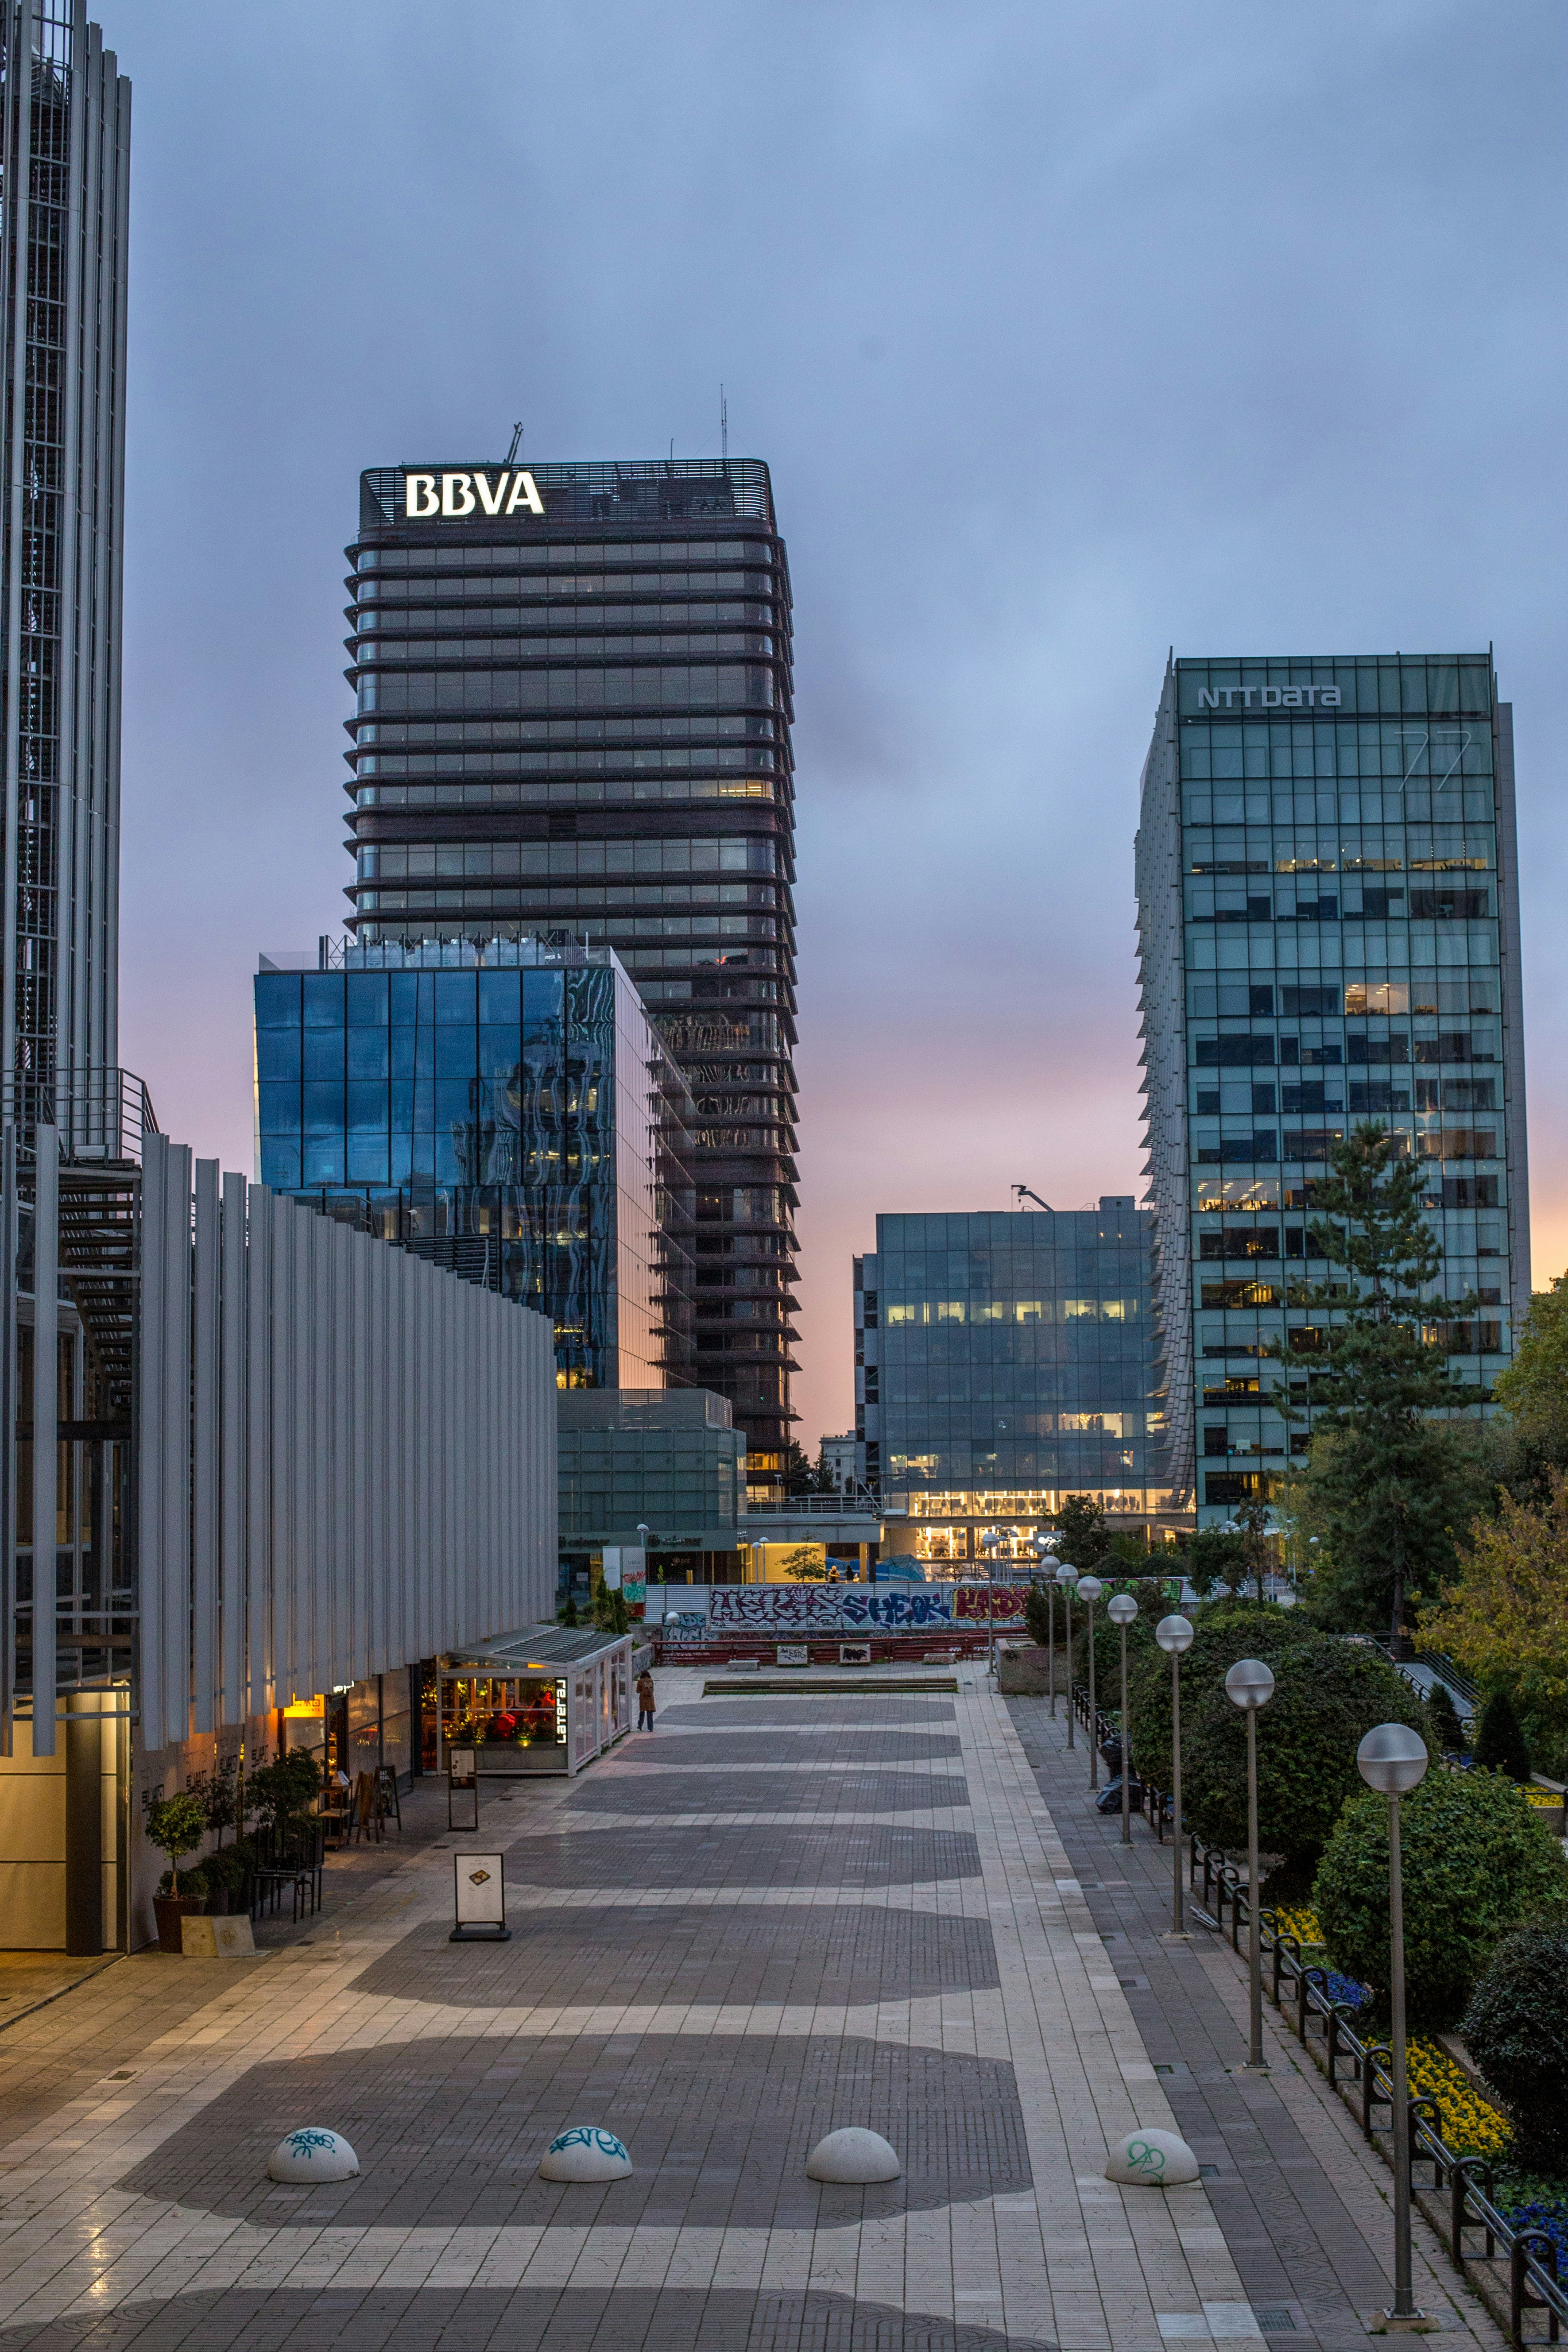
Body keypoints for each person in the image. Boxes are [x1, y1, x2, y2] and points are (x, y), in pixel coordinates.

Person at [636, 1668, 656, 1732]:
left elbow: (638, 1691)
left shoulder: (640, 1682)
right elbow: (650, 1690)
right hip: (650, 1699)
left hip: (643, 1699)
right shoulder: (650, 1681)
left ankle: (640, 1725)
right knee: (650, 1714)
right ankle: (651, 1727)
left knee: (642, 1712)